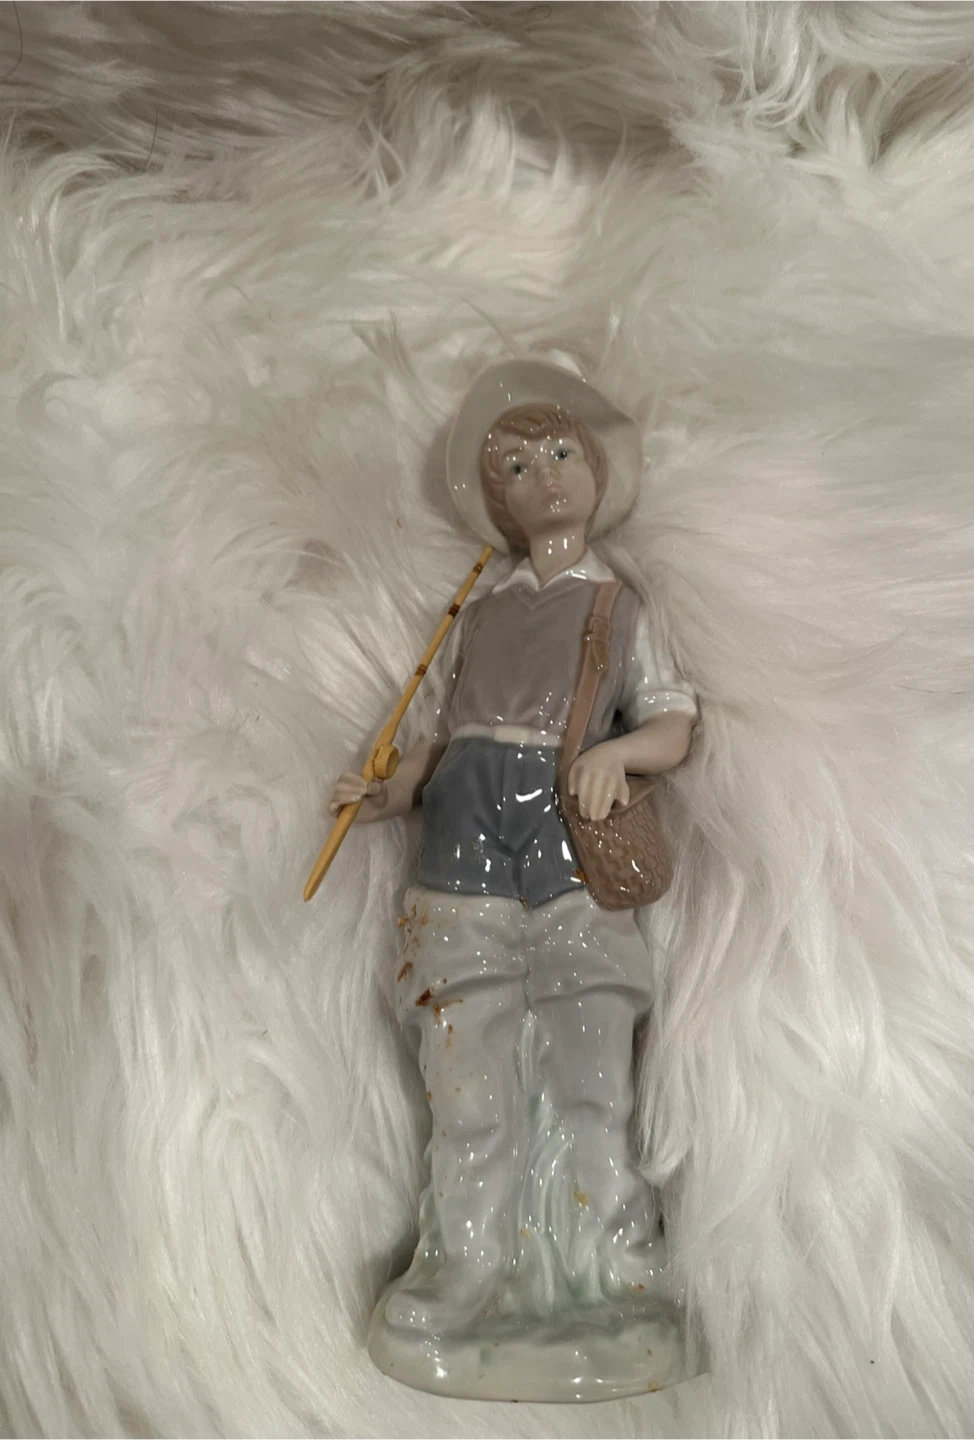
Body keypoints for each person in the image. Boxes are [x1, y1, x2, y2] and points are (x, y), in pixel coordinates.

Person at [331, 360, 697, 1361]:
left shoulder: (617, 607)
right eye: (519, 469)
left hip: (568, 853)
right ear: (498, 501)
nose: (545, 479)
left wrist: (619, 754)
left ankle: (617, 1269)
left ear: (597, 471)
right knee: (466, 1082)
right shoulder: (479, 610)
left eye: (562, 454)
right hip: (462, 851)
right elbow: (442, 731)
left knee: (592, 1076)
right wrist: (395, 790)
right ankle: (464, 1264)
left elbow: (671, 721)